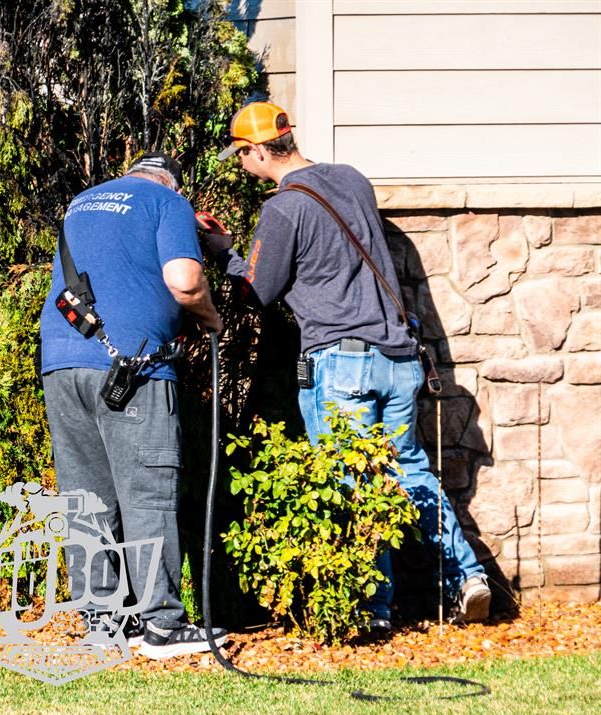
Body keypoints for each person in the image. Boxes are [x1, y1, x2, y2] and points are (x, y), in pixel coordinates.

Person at [205, 101, 490, 628]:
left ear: (260, 149)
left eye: (242, 155)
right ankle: (467, 577)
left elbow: (257, 292)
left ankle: (371, 609)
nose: (242, 166)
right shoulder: (353, 180)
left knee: (349, 482)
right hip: (398, 358)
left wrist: (224, 251)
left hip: (342, 365)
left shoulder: (282, 209)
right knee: (409, 473)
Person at [39, 152, 226, 659]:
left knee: (87, 499)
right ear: (172, 182)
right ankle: (161, 625)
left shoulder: (81, 203)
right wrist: (211, 319)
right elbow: (184, 281)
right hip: (134, 366)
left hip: (62, 364)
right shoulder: (169, 202)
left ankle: (102, 623)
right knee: (149, 492)